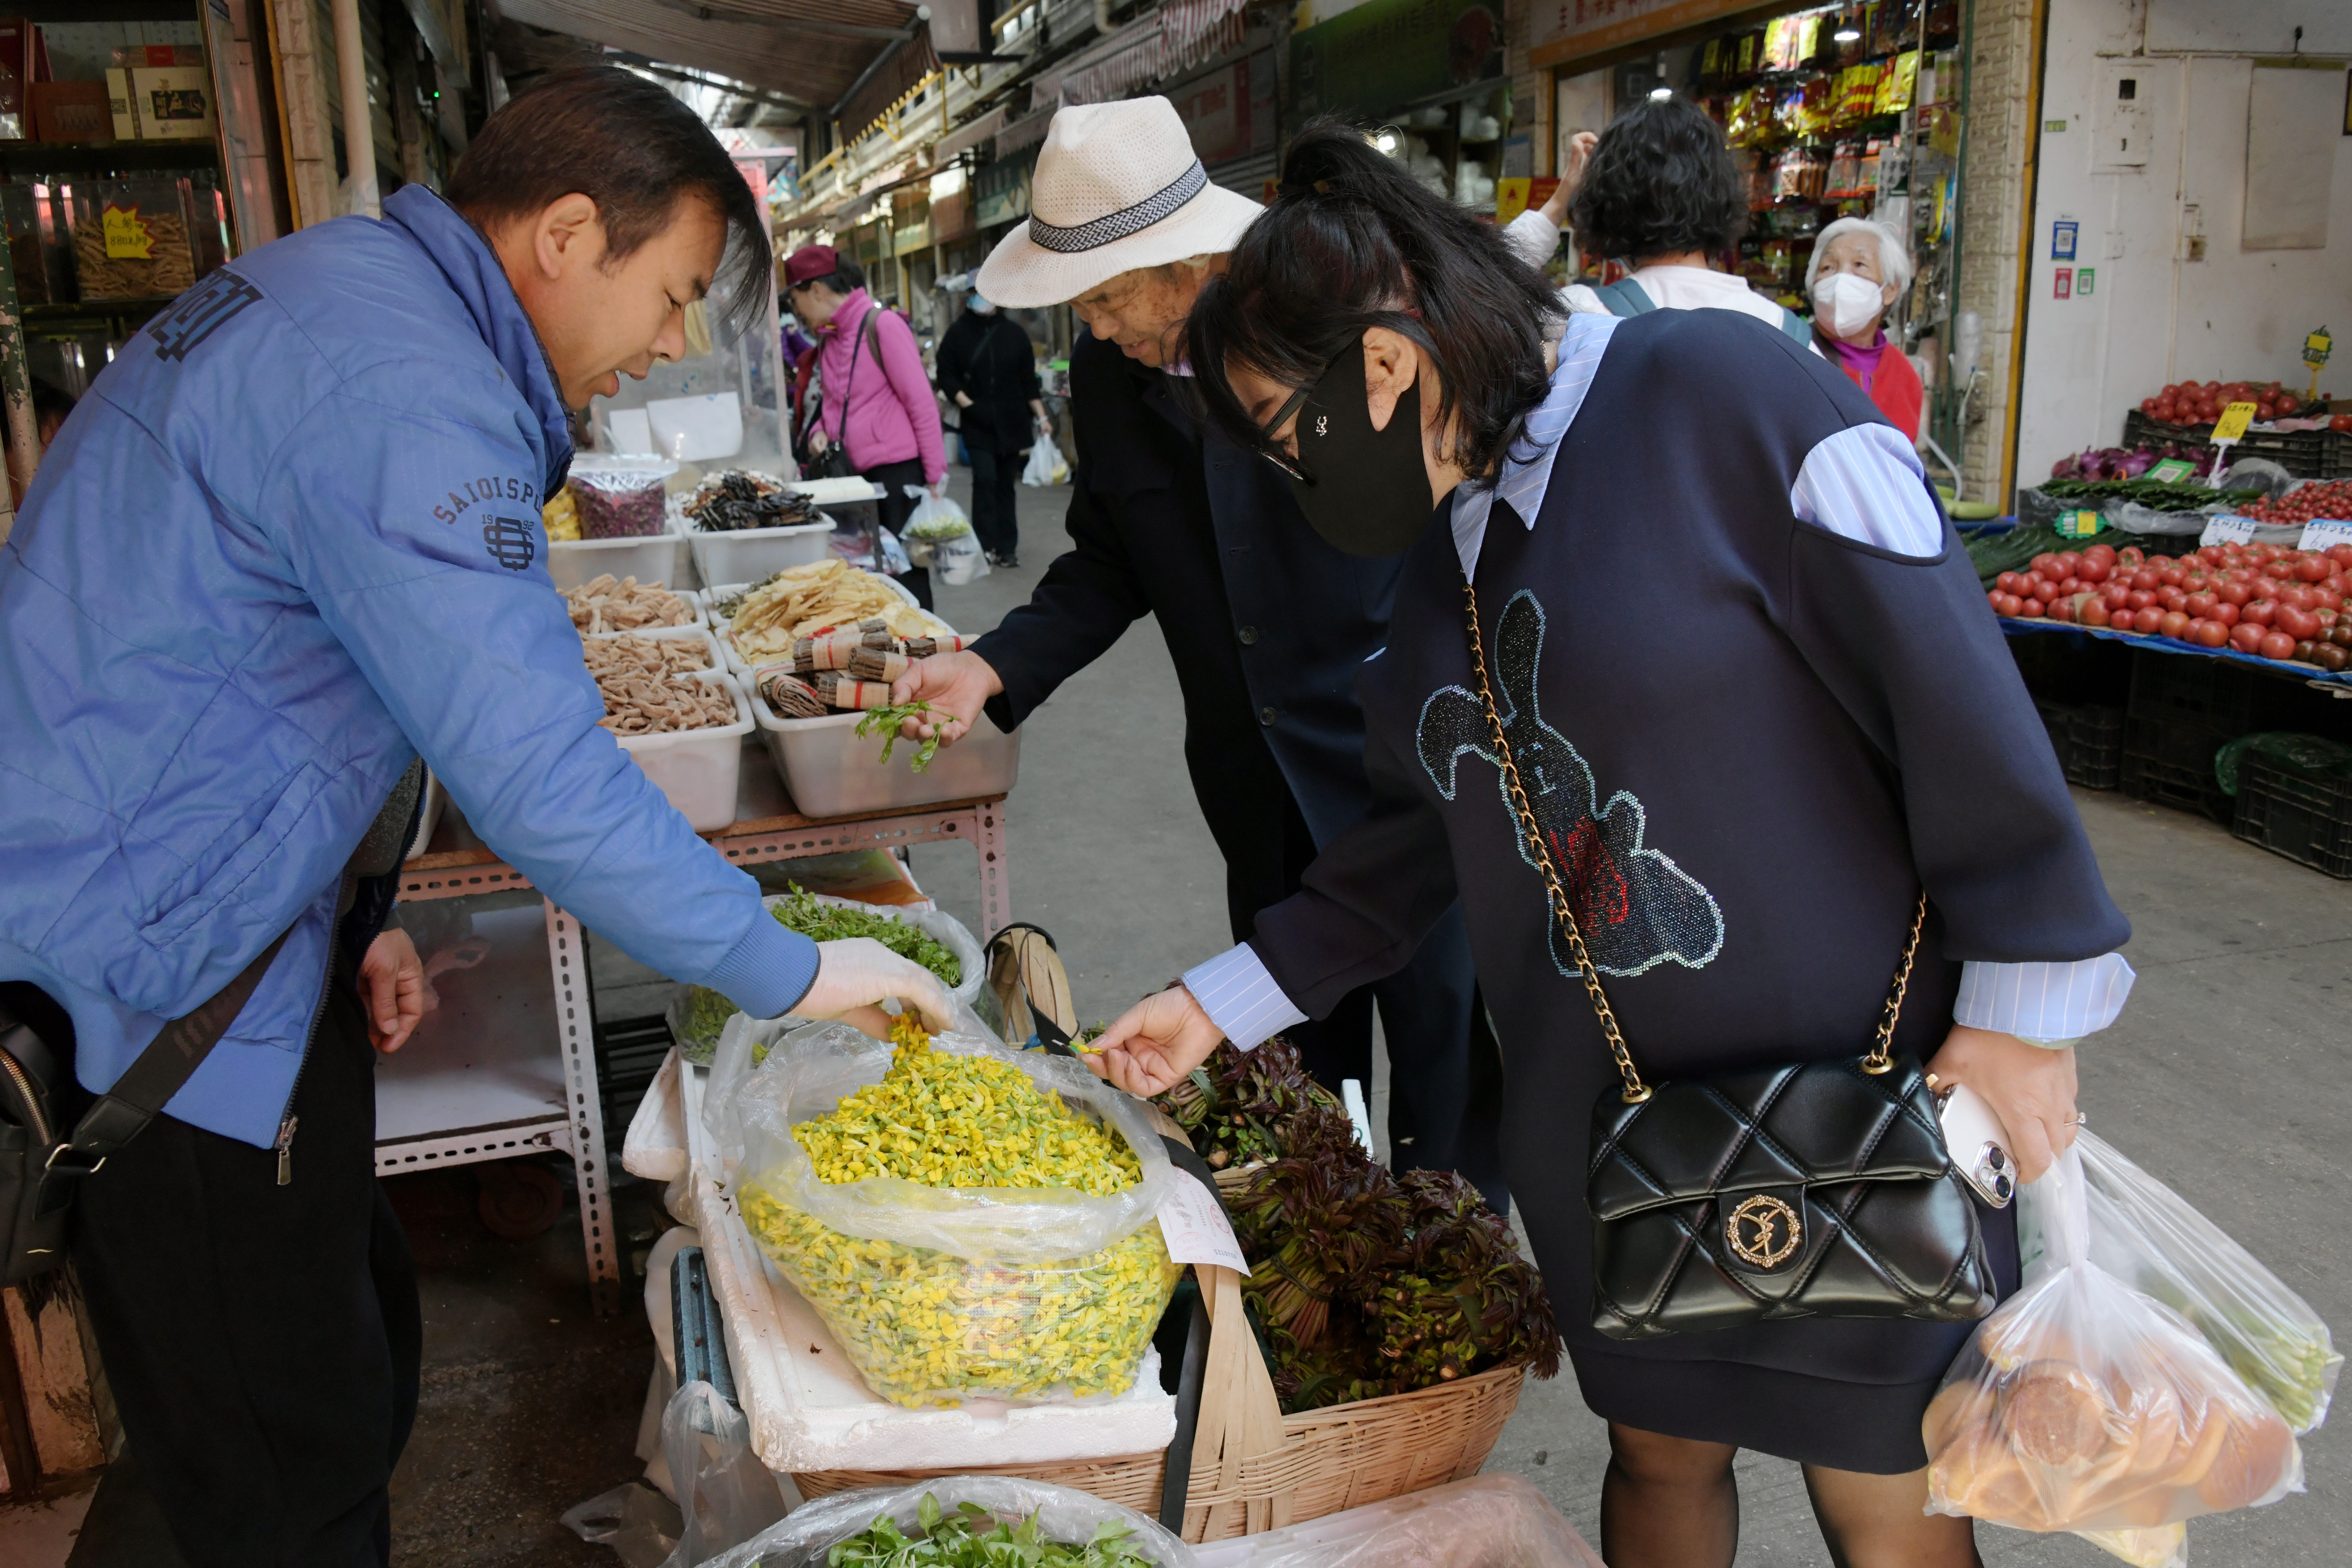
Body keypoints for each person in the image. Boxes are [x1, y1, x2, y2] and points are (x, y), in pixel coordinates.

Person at [1085, 121, 2138, 1568]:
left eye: (1288, 438)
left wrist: (2024, 1009)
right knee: (1653, 1440)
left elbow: (1947, 681)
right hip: (1603, 1114)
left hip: (1854, 1081)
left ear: (1383, 366)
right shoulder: (1444, 540)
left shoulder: (1716, 394)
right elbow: (1417, 824)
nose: (1294, 483)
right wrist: (1224, 1000)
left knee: (1884, 1472)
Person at [0, 68, 953, 1566]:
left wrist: (346, 915)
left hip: (216, 928)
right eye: (677, 292)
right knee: (282, 1458)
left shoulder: (351, 301)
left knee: (322, 1364)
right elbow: (535, 770)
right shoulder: (407, 384)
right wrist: (791, 967)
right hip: (153, 986)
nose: (674, 343)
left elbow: (281, 670)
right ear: (569, 234)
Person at [889, 97, 1509, 1208]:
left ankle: (1453, 1275)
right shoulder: (1119, 385)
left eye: (1113, 295)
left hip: (1401, 778)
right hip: (1256, 792)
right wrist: (992, 662)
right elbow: (1107, 562)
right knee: (1294, 1076)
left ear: (1189, 261)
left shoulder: (1332, 347)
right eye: (1083, 304)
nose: (1102, 325)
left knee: (1443, 1075)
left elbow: (1453, 544)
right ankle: (1332, 1266)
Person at [1549, 94, 1814, 346]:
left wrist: (1561, 199)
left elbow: (1509, 301)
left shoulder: (1579, 315)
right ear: (1723, 193)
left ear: (1607, 201)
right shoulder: (1787, 330)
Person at [784, 244, 946, 608]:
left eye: (797, 302)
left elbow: (921, 402)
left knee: (907, 572)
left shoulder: (882, 325)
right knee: (866, 574)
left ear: (817, 290)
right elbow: (827, 406)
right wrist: (817, 434)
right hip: (854, 480)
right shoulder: (829, 338)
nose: (798, 313)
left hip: (896, 475)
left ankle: (925, 649)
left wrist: (935, 477)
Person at [934, 286, 1049, 566]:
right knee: (985, 480)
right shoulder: (958, 333)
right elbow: (946, 375)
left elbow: (1028, 381)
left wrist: (1042, 417)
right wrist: (968, 404)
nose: (982, 300)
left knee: (1006, 486)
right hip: (977, 423)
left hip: (1012, 422)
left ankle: (1007, 547)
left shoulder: (1014, 334)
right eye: (976, 294)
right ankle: (985, 545)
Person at [1808, 216, 1925, 440]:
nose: (1841, 279)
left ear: (1890, 291)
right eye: (1828, 267)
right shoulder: (1794, 350)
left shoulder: (1904, 375)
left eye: (1859, 265)